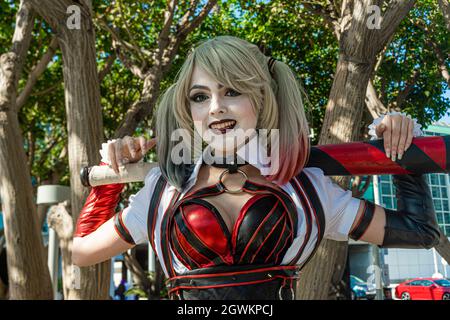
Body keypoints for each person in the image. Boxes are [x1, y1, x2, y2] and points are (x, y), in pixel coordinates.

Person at [72, 36, 440, 300]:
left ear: (262, 100)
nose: (215, 107)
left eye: (232, 91)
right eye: (200, 96)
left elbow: (418, 232)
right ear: (189, 110)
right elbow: (83, 252)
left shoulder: (306, 188)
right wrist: (109, 180)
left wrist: (403, 150)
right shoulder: (163, 189)